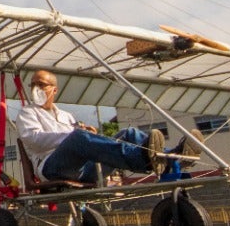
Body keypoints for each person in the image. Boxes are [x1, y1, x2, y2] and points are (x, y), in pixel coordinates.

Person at [16, 69, 193, 185]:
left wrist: (89, 134)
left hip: (85, 169)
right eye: (33, 85)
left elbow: (87, 143)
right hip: (51, 167)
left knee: (128, 133)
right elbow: (34, 140)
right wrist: (75, 134)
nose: (35, 89)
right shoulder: (27, 113)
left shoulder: (66, 115)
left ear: (54, 90)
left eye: (41, 85)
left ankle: (173, 156)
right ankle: (146, 158)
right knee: (78, 137)